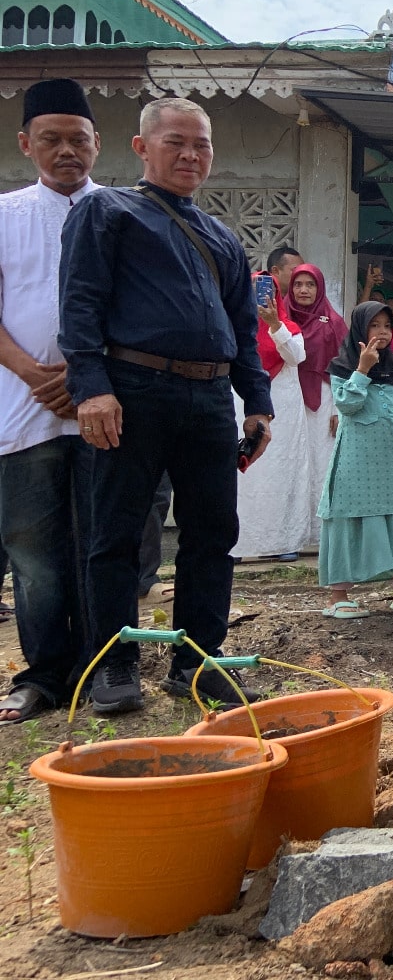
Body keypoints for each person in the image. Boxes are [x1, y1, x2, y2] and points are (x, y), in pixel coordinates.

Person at [59, 96, 271, 713]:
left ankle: (198, 665)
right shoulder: (107, 210)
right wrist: (90, 388)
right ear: (141, 147)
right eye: (176, 141)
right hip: (131, 390)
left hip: (208, 398)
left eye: (201, 144)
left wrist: (256, 402)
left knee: (213, 532)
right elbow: (79, 305)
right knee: (117, 533)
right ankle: (112, 665)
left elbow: (242, 327)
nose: (190, 154)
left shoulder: (222, 237)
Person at [0, 78, 98, 724]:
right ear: (26, 143)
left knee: (100, 546)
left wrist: (87, 378)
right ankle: (42, 674)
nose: (67, 151)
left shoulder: (119, 212)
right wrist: (36, 374)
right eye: (52, 139)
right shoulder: (5, 214)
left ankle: (96, 667)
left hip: (100, 409)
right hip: (23, 410)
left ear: (98, 144)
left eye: (78, 140)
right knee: (33, 553)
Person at [317, 303, 393, 620]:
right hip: (354, 459)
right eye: (373, 325)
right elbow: (348, 405)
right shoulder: (342, 366)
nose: (380, 332)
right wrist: (362, 369)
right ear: (359, 329)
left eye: (386, 326)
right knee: (347, 516)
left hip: (390, 459)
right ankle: (339, 596)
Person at [232, 272, 314, 561]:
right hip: (243, 403)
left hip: (284, 407)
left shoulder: (289, 326)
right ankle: (239, 544)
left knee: (283, 471)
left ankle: (284, 541)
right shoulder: (235, 326)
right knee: (244, 474)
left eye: (267, 291)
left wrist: (274, 325)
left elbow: (296, 357)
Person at [285, 262, 346, 547]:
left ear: (319, 288)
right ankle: (292, 534)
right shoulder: (281, 316)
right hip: (288, 398)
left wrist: (337, 407)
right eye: (298, 284)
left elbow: (344, 367)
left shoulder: (333, 322)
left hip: (324, 400)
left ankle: (322, 534)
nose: (303, 290)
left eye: (310, 285)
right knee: (293, 463)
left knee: (322, 462)